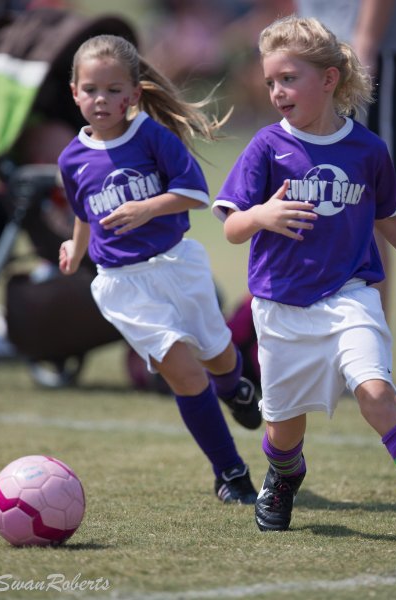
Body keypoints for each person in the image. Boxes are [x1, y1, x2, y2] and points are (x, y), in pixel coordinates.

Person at [212, 16, 396, 550]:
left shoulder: (368, 150)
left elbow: (390, 217)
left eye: (288, 78)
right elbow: (230, 226)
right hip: (280, 309)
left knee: (378, 395)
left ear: (331, 79)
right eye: (270, 82)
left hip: (349, 297)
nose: (276, 92)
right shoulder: (267, 146)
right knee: (283, 434)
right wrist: (261, 215)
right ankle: (285, 475)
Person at [57, 34, 262, 504]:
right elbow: (84, 212)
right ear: (74, 92)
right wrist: (75, 245)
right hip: (122, 285)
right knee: (186, 375)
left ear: (133, 94)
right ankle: (230, 472)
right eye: (90, 89)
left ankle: (236, 389)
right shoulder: (71, 158)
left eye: (113, 90)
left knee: (218, 357)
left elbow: (195, 193)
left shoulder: (151, 135)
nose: (101, 99)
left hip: (178, 266)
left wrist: (147, 209)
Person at [296, 0, 396, 319]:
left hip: (363, 51)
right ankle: (335, 342)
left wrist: (365, 40)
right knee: (323, 197)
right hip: (319, 51)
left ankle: (370, 349)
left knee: (366, 204)